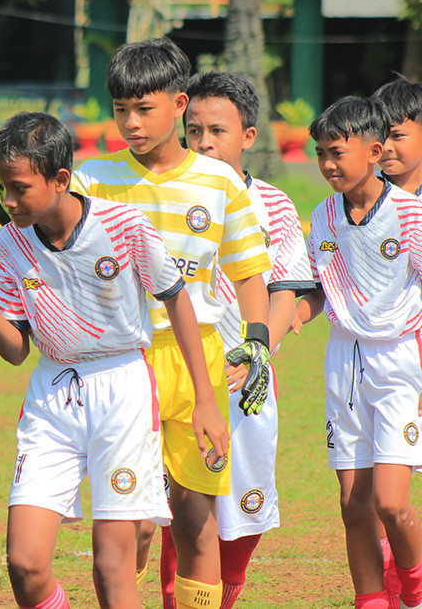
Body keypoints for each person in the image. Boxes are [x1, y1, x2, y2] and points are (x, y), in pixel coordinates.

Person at [0, 111, 221, 609]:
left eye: (19, 188)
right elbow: (16, 350)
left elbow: (177, 299)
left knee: (113, 569)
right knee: (24, 564)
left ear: (61, 179)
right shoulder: (6, 245)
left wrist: (205, 400)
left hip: (123, 389)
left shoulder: (123, 225)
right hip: (53, 395)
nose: (7, 201)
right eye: (3, 188)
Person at [70, 38, 271, 609]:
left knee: (193, 517)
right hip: (121, 361)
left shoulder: (220, 183)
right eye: (120, 110)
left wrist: (255, 344)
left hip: (197, 359)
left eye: (144, 109)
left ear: (179, 103)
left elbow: (251, 275)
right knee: (127, 522)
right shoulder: (93, 179)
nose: (130, 123)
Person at [156, 71, 312, 609]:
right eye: (193, 129)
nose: (202, 142)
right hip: (175, 378)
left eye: (216, 131)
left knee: (244, 508)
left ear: (248, 136)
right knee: (181, 506)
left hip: (246, 380)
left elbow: (287, 287)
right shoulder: (166, 196)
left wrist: (258, 353)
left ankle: (225, 598)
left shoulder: (274, 205)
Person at [293, 96, 422, 609]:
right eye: (321, 153)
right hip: (343, 363)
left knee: (391, 503)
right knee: (353, 505)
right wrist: (283, 327)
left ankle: (413, 590)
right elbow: (315, 291)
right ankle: (371, 601)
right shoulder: (322, 215)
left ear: (373, 151)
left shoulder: (411, 215)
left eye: (337, 153)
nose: (327, 164)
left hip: (399, 364)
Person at [371, 76, 422, 608]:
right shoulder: (361, 205)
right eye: (378, 136)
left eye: (398, 135)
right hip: (383, 369)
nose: (386, 148)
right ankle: (400, 587)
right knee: (384, 494)